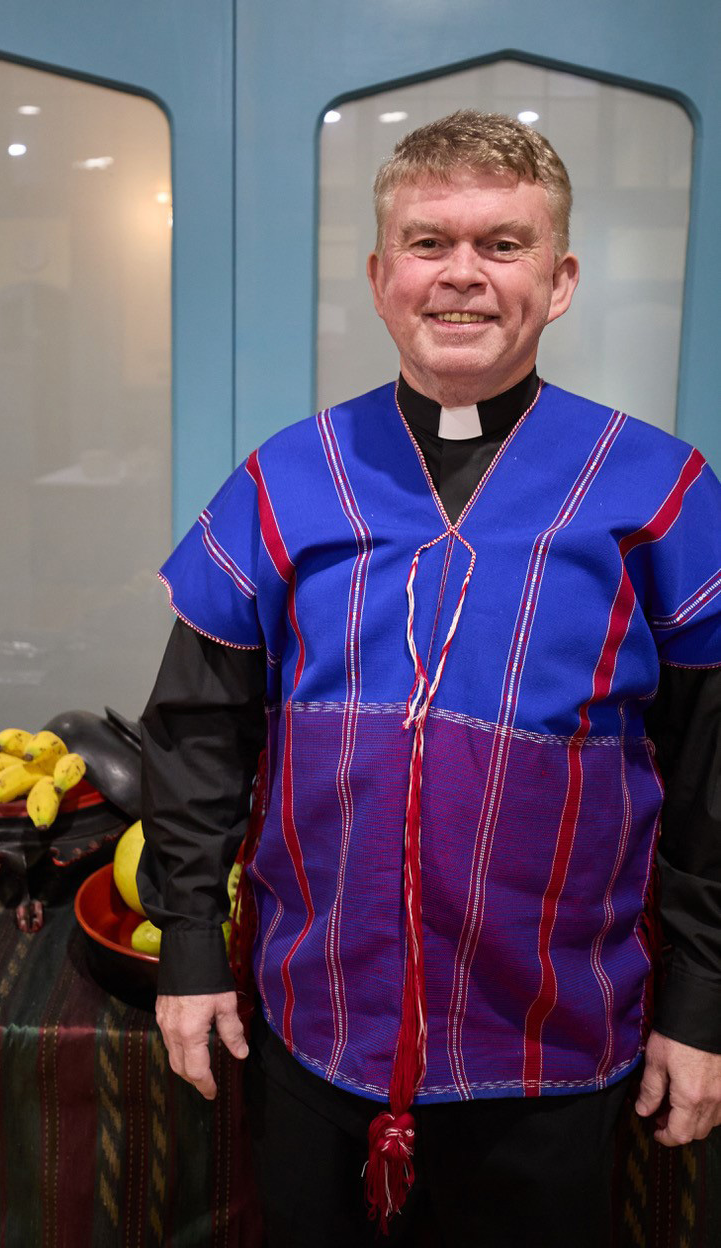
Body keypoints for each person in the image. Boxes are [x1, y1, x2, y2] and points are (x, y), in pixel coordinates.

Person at [137, 110, 721, 1247]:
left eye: (502, 245)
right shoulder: (283, 480)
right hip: (312, 1029)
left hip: (556, 1046)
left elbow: (711, 783)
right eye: (427, 241)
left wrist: (700, 1004)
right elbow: (197, 730)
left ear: (558, 281)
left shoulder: (662, 493)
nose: (461, 274)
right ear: (378, 275)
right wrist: (192, 945)